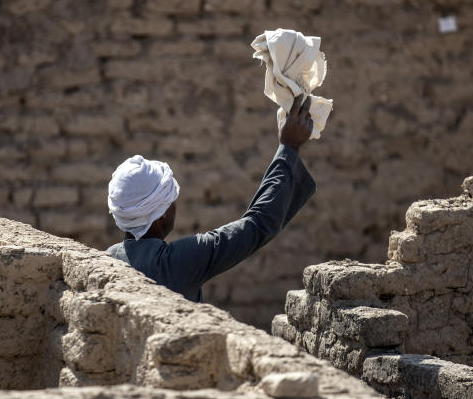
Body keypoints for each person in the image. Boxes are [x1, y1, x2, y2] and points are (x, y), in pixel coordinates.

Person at [106, 94, 316, 302]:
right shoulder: (178, 263)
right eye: (171, 200)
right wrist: (289, 147)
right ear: (161, 215)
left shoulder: (106, 262)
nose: (175, 206)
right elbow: (257, 224)